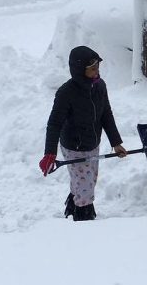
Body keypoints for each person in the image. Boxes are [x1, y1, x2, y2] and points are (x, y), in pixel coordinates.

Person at [39, 46, 127, 221]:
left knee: (87, 180)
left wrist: (116, 143)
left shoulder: (100, 86)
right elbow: (54, 123)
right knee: (85, 186)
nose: (97, 71)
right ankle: (83, 219)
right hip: (74, 145)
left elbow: (106, 114)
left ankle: (74, 205)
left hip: (93, 142)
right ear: (79, 70)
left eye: (97, 67)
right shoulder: (66, 93)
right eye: (92, 68)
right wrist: (50, 153)